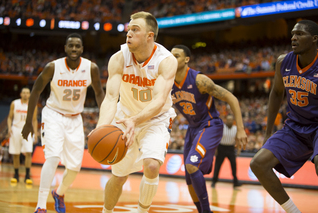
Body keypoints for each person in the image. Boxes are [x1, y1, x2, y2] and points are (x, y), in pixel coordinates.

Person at [95, 11, 177, 213]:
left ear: (150, 36)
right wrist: (101, 127)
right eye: (128, 29)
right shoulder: (118, 58)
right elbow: (111, 98)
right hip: (125, 118)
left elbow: (159, 101)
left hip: (155, 120)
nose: (128, 33)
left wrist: (136, 120)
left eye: (135, 29)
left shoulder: (166, 61)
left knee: (151, 166)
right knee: (119, 176)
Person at [22, 33, 104, 213]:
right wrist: (29, 122)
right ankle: (41, 206)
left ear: (82, 49)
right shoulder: (53, 67)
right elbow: (35, 91)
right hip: (53, 115)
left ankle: (59, 193)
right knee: (52, 158)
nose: (74, 49)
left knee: (74, 168)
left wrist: (104, 119)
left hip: (75, 118)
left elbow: (99, 93)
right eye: (71, 46)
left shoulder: (91, 68)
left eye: (77, 46)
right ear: (65, 48)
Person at [250, 20, 318, 213]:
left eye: (299, 34)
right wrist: (268, 131)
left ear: (315, 39)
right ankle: (293, 211)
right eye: (292, 34)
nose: (293, 38)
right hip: (294, 127)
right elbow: (276, 94)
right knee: (258, 164)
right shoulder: (283, 61)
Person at [170, 45, 247, 213]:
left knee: (191, 165)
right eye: (170, 55)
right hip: (193, 129)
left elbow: (232, 98)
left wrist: (240, 129)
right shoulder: (167, 82)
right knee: (189, 179)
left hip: (210, 125)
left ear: (186, 59)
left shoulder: (199, 80)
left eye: (176, 56)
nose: (171, 58)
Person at [7, 87, 38, 184]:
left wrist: (36, 133)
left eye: (27, 93)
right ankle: (16, 175)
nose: (25, 94)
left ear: (29, 95)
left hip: (27, 130)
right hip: (16, 129)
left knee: (28, 153)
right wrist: (9, 128)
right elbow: (9, 117)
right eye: (24, 92)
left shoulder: (33, 105)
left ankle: (27, 176)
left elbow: (34, 120)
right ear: (20, 94)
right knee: (16, 154)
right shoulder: (14, 103)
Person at [211, 114, 242, 188]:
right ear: (226, 120)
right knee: (217, 165)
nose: (229, 121)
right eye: (228, 120)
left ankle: (235, 182)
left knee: (233, 165)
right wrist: (215, 149)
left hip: (230, 148)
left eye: (231, 120)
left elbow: (238, 140)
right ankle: (214, 181)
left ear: (233, 121)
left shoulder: (235, 128)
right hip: (221, 148)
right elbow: (216, 139)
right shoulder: (222, 127)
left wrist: (238, 150)